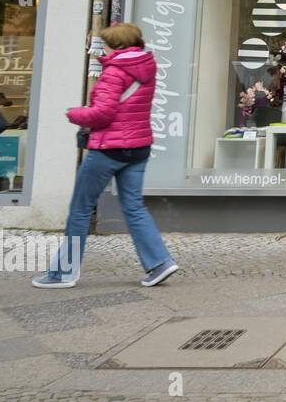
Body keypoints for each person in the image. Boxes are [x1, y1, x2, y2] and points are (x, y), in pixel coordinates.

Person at [32, 23, 178, 289]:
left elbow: (103, 114)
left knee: (80, 209)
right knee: (133, 207)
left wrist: (74, 113)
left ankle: (63, 273)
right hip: (138, 147)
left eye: (107, 43)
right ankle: (160, 263)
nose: (105, 47)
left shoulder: (114, 71)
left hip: (108, 149)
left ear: (116, 45)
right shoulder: (147, 67)